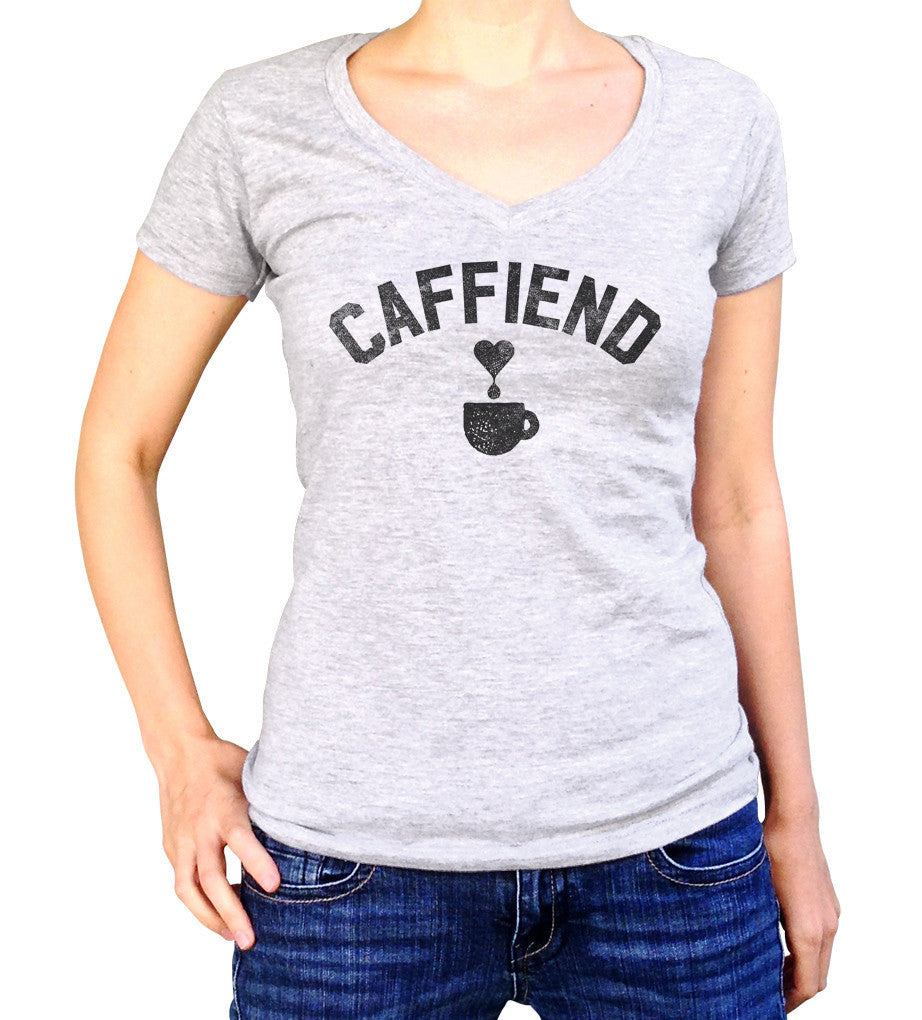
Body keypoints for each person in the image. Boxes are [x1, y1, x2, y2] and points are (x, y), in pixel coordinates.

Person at [75, 1, 840, 1016]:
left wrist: (795, 817)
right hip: (351, 865)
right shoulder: (262, 121)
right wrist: (176, 751)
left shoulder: (719, 122)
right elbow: (116, 453)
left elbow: (737, 499)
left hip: (673, 846)